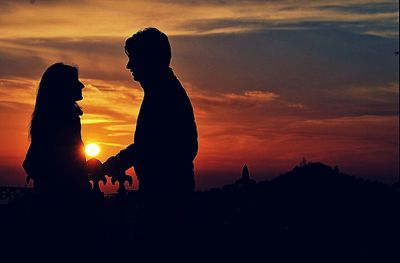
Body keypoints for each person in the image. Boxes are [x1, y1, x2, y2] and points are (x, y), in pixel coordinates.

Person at [101, 28, 198, 252]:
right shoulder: (163, 91)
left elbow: (154, 147)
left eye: (133, 58)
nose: (129, 66)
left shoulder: (164, 94)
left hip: (164, 197)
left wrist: (114, 164)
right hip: (165, 193)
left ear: (149, 59)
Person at [22, 63, 90, 255]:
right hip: (63, 207)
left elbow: (30, 161)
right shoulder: (64, 117)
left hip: (50, 203)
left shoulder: (49, 117)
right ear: (63, 88)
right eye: (75, 81)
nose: (82, 85)